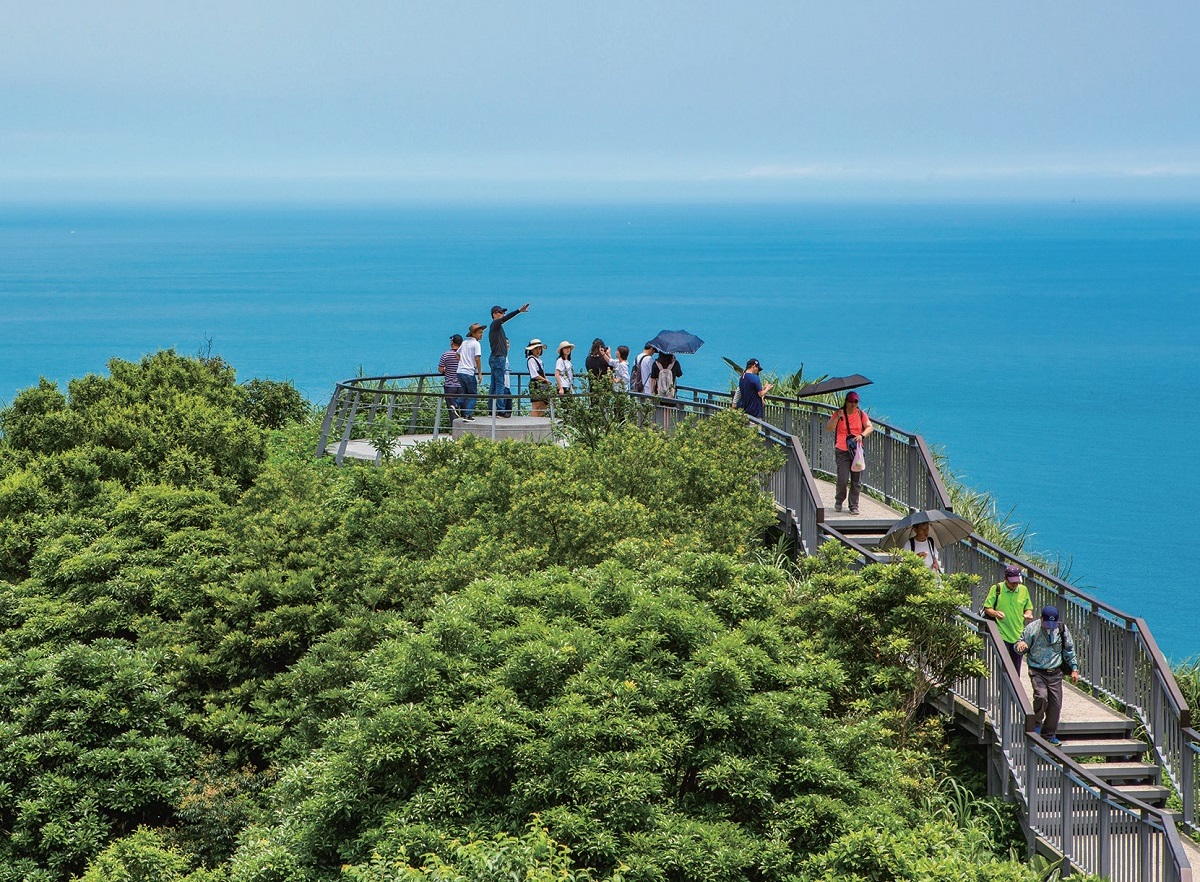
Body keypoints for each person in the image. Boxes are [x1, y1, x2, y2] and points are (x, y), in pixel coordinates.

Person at [1016, 606, 1080, 746]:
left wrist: (1074, 669)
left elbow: (1069, 650)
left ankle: (1049, 734)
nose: (1049, 627)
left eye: (1052, 624)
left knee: (1055, 705)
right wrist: (1021, 645)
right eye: (1047, 624)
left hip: (1055, 672)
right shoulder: (1032, 628)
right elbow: (1019, 645)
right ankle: (1036, 724)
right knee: (1041, 696)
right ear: (1041, 618)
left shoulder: (1061, 629)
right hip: (1037, 670)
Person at [825, 391, 873, 514]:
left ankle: (853, 506)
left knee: (856, 480)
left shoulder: (861, 414)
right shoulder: (839, 413)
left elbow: (869, 427)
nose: (853, 404)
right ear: (846, 402)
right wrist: (836, 417)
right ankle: (839, 500)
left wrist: (862, 435)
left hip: (856, 451)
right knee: (843, 478)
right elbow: (829, 428)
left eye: (855, 402)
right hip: (842, 450)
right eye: (850, 401)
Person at [983, 564, 1035, 671]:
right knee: (1003, 668)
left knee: (1015, 670)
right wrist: (996, 613)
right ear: (1006, 579)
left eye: (1017, 581)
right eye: (1012, 582)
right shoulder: (997, 588)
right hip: (1001, 634)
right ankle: (1001, 688)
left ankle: (1011, 688)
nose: (1015, 584)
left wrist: (1028, 614)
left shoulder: (1023, 590)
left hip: (1018, 636)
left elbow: (1028, 608)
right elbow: (987, 608)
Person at [487, 303, 529, 417]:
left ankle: (491, 409)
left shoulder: (497, 327)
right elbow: (506, 319)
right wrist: (519, 311)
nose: (503, 314)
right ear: (494, 315)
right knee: (500, 384)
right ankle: (500, 410)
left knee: (494, 385)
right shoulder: (495, 323)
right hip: (499, 357)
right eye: (500, 312)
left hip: (494, 357)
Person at [455, 322, 485, 421]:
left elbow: (457, 354)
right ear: (474, 333)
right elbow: (477, 358)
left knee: (466, 392)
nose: (481, 334)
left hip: (460, 371)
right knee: (473, 394)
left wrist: (462, 362)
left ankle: (456, 404)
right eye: (480, 333)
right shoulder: (476, 344)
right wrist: (479, 373)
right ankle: (467, 414)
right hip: (469, 372)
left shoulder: (464, 343)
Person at [438, 334, 464, 419]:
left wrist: (446, 369)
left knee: (452, 409)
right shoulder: (464, 355)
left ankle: (454, 428)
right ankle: (464, 429)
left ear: (452, 342)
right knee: (464, 408)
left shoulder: (446, 354)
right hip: (462, 385)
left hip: (450, 386)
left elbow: (440, 369)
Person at [525, 339, 552, 416]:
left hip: (543, 384)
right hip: (536, 384)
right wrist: (545, 380)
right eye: (536, 349)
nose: (538, 351)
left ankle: (539, 421)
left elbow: (542, 373)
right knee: (536, 406)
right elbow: (534, 375)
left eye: (539, 348)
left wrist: (546, 380)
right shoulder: (531, 360)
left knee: (544, 405)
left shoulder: (539, 360)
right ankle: (533, 424)